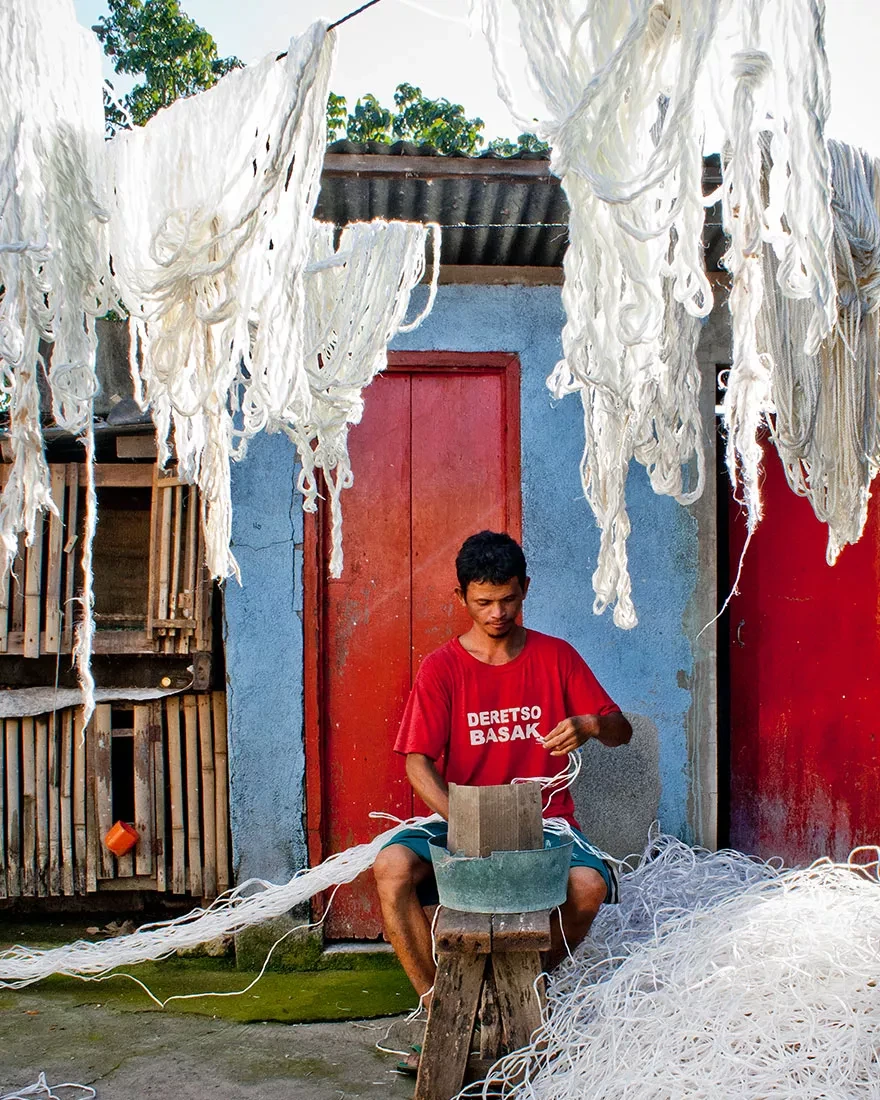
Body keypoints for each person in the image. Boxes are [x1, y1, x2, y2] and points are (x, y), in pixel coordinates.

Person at [372, 530, 632, 1004]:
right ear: (461, 597)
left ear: (525, 588)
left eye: (508, 599)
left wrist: (591, 723)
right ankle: (439, 1005)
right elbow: (417, 764)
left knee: (589, 887)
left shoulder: (556, 656)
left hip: (545, 823)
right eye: (484, 601)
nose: (497, 614)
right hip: (461, 822)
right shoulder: (441, 668)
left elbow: (622, 731)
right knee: (391, 867)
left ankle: (517, 991)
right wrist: (462, 819)